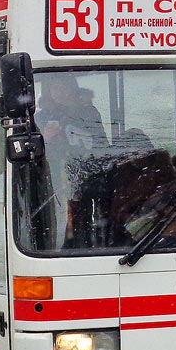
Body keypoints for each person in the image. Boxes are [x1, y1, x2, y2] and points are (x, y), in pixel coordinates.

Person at [34, 75, 109, 247]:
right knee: (67, 216)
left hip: (89, 172)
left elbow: (102, 143)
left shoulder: (89, 112)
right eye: (55, 88)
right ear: (49, 91)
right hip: (56, 176)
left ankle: (96, 245)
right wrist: (46, 137)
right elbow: (33, 153)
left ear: (73, 89)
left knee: (93, 215)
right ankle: (70, 246)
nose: (60, 92)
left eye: (65, 87)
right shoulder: (42, 117)